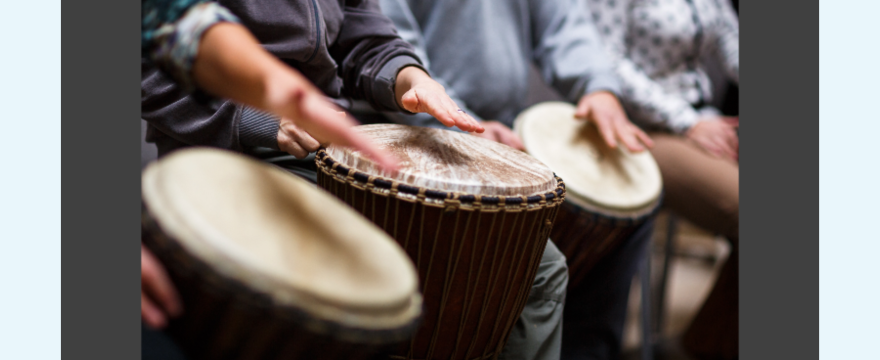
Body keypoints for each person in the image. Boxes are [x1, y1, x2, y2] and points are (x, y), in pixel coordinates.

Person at [367, 1, 655, 359]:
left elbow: (563, 24)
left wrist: (598, 87)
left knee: (625, 202)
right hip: (413, 129)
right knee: (542, 263)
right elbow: (385, 42)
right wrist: (458, 121)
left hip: (504, 127)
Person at [141, 0, 483, 183]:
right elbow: (154, 58)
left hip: (324, 143)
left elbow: (361, 31)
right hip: (221, 150)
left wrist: (412, 79)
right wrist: (263, 119)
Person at [587, 0, 740, 358]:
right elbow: (607, 62)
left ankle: (710, 341)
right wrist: (686, 121)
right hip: (643, 129)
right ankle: (701, 348)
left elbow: (733, 42)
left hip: (705, 120)